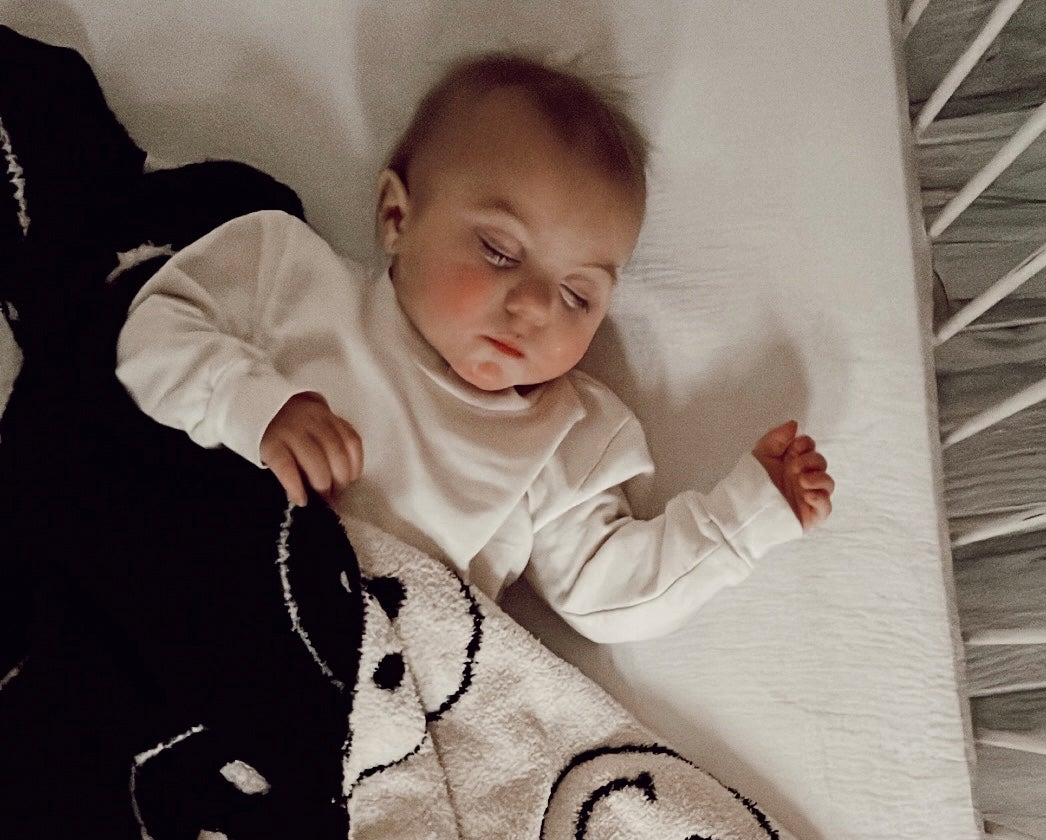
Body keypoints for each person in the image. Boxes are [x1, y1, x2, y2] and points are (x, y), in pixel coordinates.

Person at [115, 50, 834, 644]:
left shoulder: (563, 439)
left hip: (358, 675)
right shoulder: (295, 281)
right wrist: (257, 409)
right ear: (398, 217)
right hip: (196, 577)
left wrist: (740, 520)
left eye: (578, 296)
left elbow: (602, 592)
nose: (531, 309)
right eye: (497, 251)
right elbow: (152, 335)